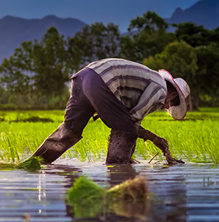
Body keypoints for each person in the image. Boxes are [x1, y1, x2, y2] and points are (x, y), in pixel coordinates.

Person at [31, 58, 190, 165]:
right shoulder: (160, 89)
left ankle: (35, 162)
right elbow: (132, 123)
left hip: (83, 77)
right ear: (173, 94)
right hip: (101, 81)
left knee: (70, 130)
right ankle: (118, 170)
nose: (166, 107)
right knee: (126, 131)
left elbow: (124, 117)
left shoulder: (148, 80)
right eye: (171, 104)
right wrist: (156, 139)